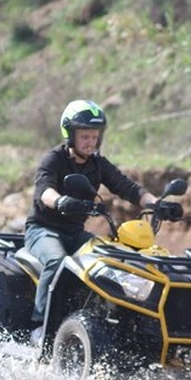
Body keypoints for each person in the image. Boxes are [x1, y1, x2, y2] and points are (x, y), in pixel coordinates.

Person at [24, 100, 157, 344]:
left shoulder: (98, 163)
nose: (91, 142)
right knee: (56, 260)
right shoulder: (53, 160)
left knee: (112, 261)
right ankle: (39, 328)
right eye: (85, 136)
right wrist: (61, 201)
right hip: (43, 231)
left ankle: (119, 327)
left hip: (76, 233)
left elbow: (127, 187)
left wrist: (155, 203)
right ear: (70, 134)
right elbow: (44, 191)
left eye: (95, 136)